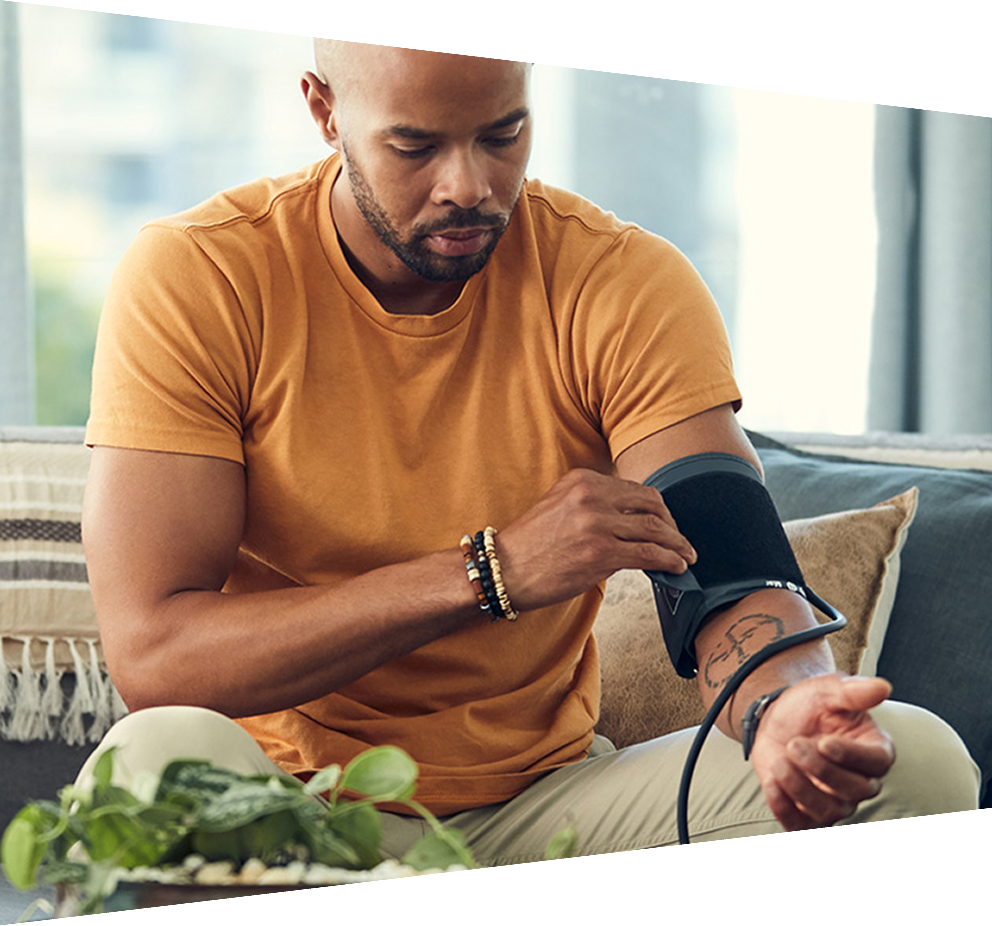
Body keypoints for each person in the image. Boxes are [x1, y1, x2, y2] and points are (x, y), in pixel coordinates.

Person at [79, 40, 979, 881]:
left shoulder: (617, 280)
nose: (468, 186)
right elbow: (157, 657)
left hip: (552, 824)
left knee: (918, 766)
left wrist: (788, 705)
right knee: (155, 764)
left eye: (502, 134)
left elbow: (730, 566)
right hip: (293, 818)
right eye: (415, 146)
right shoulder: (203, 274)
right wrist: (489, 572)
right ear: (325, 111)